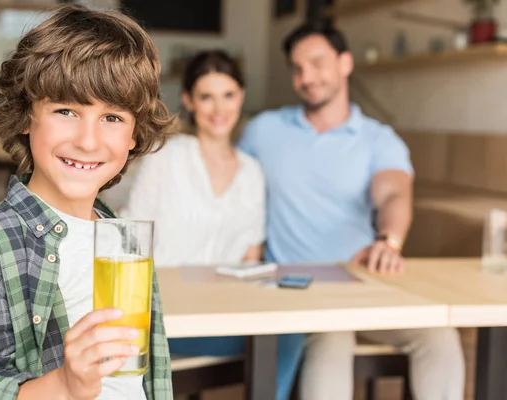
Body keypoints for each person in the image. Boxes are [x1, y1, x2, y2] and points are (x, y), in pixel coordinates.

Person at [0, 5, 176, 400]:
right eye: (66, 110)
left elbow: (146, 375)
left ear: (135, 134)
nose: (87, 141)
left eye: (112, 118)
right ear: (25, 116)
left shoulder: (121, 238)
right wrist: (66, 385)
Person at [238, 24, 465, 400]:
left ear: (345, 63)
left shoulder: (378, 138)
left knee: (439, 336)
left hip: (361, 281)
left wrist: (388, 241)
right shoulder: (264, 131)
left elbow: (393, 193)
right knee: (333, 337)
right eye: (297, 68)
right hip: (294, 286)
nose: (306, 77)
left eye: (316, 63)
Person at [121, 50, 304, 400]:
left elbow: (251, 256)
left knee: (290, 330)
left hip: (221, 316)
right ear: (189, 100)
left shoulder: (251, 171)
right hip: (162, 320)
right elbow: (132, 237)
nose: (219, 109)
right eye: (207, 97)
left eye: (228, 95)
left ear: (241, 96)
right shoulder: (165, 155)